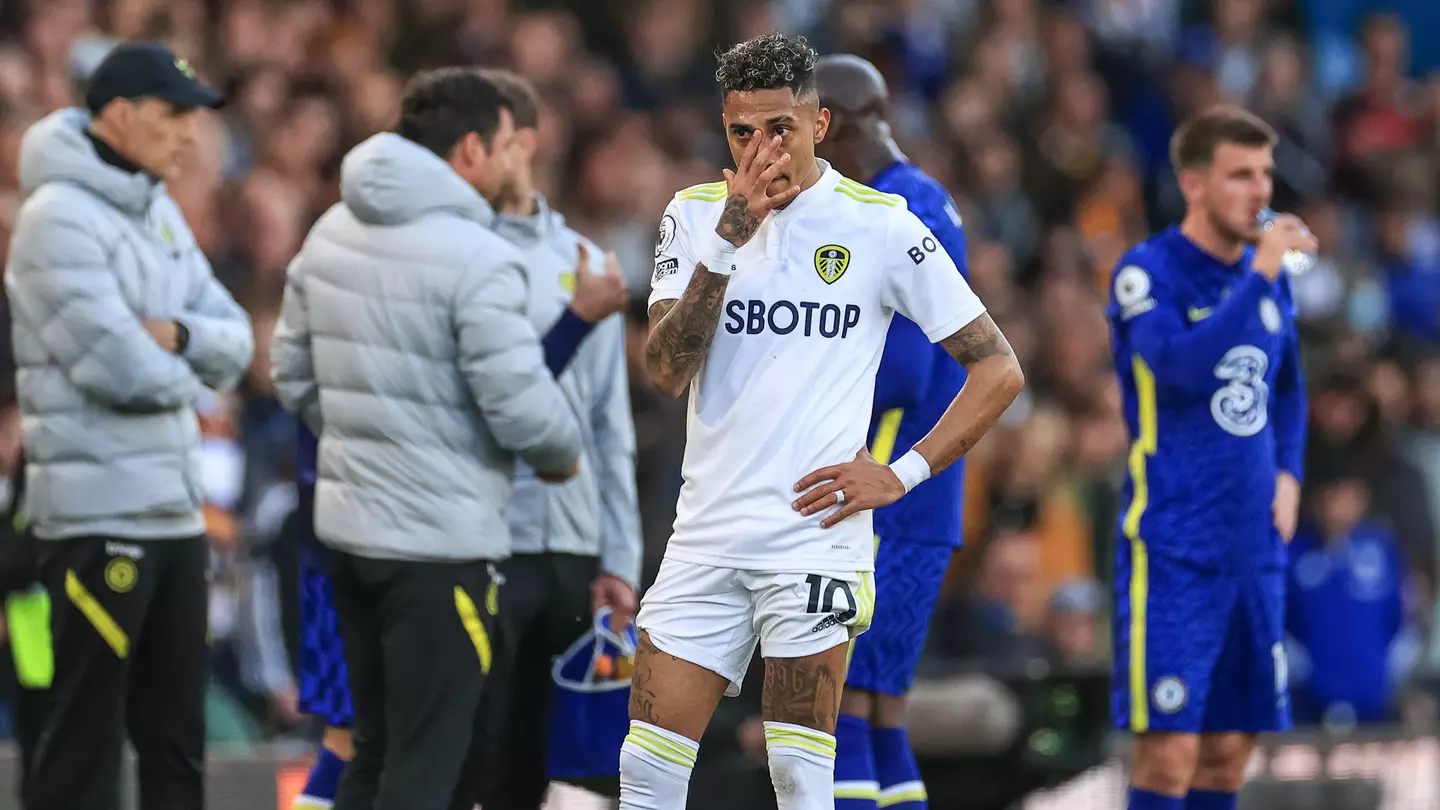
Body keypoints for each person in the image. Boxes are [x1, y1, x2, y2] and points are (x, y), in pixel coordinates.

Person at [628, 32, 1025, 810]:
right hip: (705, 533)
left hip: (813, 538)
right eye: (742, 131)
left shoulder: (879, 223)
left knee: (803, 780)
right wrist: (729, 241)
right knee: (645, 771)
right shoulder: (695, 213)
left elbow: (998, 368)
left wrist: (904, 472)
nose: (759, 148)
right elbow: (667, 372)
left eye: (779, 127)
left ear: (820, 124)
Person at [286, 81, 629, 810]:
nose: (520, 158)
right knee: (427, 766)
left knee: (370, 751)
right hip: (439, 550)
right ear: (472, 151)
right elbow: (524, 412)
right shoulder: (475, 255)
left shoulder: (328, 230)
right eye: (509, 145)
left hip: (348, 537)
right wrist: (559, 456)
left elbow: (291, 373)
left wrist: (368, 440)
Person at [4, 41, 253, 810]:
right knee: (85, 740)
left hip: (171, 513)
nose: (189, 135)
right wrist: (194, 372)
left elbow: (236, 339)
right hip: (96, 515)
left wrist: (176, 335)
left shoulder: (160, 213)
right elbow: (120, 368)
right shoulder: (55, 220)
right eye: (173, 115)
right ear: (118, 115)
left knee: (176, 739)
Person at [1105, 105, 1314, 810]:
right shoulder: (1146, 273)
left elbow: (1288, 389)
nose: (1261, 191)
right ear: (1194, 184)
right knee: (1169, 753)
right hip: (1172, 548)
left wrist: (1289, 472)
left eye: (1265, 173)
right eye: (1240, 175)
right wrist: (1257, 275)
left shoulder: (1272, 280)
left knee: (1228, 755)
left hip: (1253, 549)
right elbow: (1179, 367)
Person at [461, 69, 643, 810]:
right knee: (478, 746)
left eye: (488, 144)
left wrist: (620, 558)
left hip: (567, 546)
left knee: (545, 760)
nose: (471, 161)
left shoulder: (586, 261)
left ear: (525, 146)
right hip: (484, 537)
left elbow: (609, 425)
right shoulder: (453, 261)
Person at [813, 54, 970, 810]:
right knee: (881, 708)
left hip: (883, 497)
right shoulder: (925, 198)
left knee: (837, 701)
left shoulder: (895, 211)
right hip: (922, 504)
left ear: (832, 124)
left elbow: (903, 373)